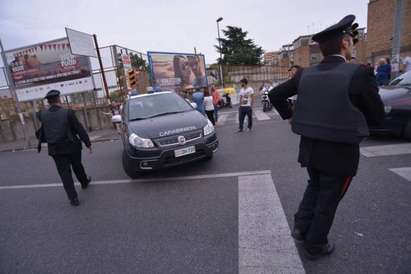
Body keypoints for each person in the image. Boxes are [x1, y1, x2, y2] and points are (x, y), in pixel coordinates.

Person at [268, 15, 384, 260]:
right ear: (344, 43)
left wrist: (290, 117)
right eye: (351, 41)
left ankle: (301, 227)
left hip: (310, 148)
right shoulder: (359, 73)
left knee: (315, 186)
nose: (352, 45)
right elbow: (377, 118)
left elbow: (276, 94)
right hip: (340, 152)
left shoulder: (304, 74)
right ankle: (315, 244)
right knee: (329, 198)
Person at [37, 90, 92, 207]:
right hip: (72, 147)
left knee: (64, 173)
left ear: (48, 101)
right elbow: (79, 129)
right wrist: (88, 143)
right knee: (77, 165)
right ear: (58, 99)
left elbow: (40, 115)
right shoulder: (68, 113)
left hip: (55, 149)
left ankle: (73, 199)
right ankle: (84, 182)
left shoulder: (42, 114)